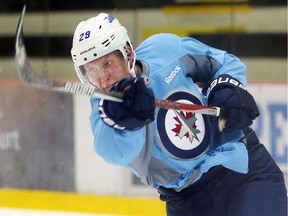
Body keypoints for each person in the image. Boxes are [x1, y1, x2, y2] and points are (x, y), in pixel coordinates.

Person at [70, 13, 287, 216]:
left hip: (243, 171)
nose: (103, 79)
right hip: (188, 202)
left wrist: (225, 89)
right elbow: (114, 152)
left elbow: (222, 62)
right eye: (92, 70)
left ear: (127, 53)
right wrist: (125, 121)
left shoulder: (163, 50)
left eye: (108, 64)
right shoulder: (105, 112)